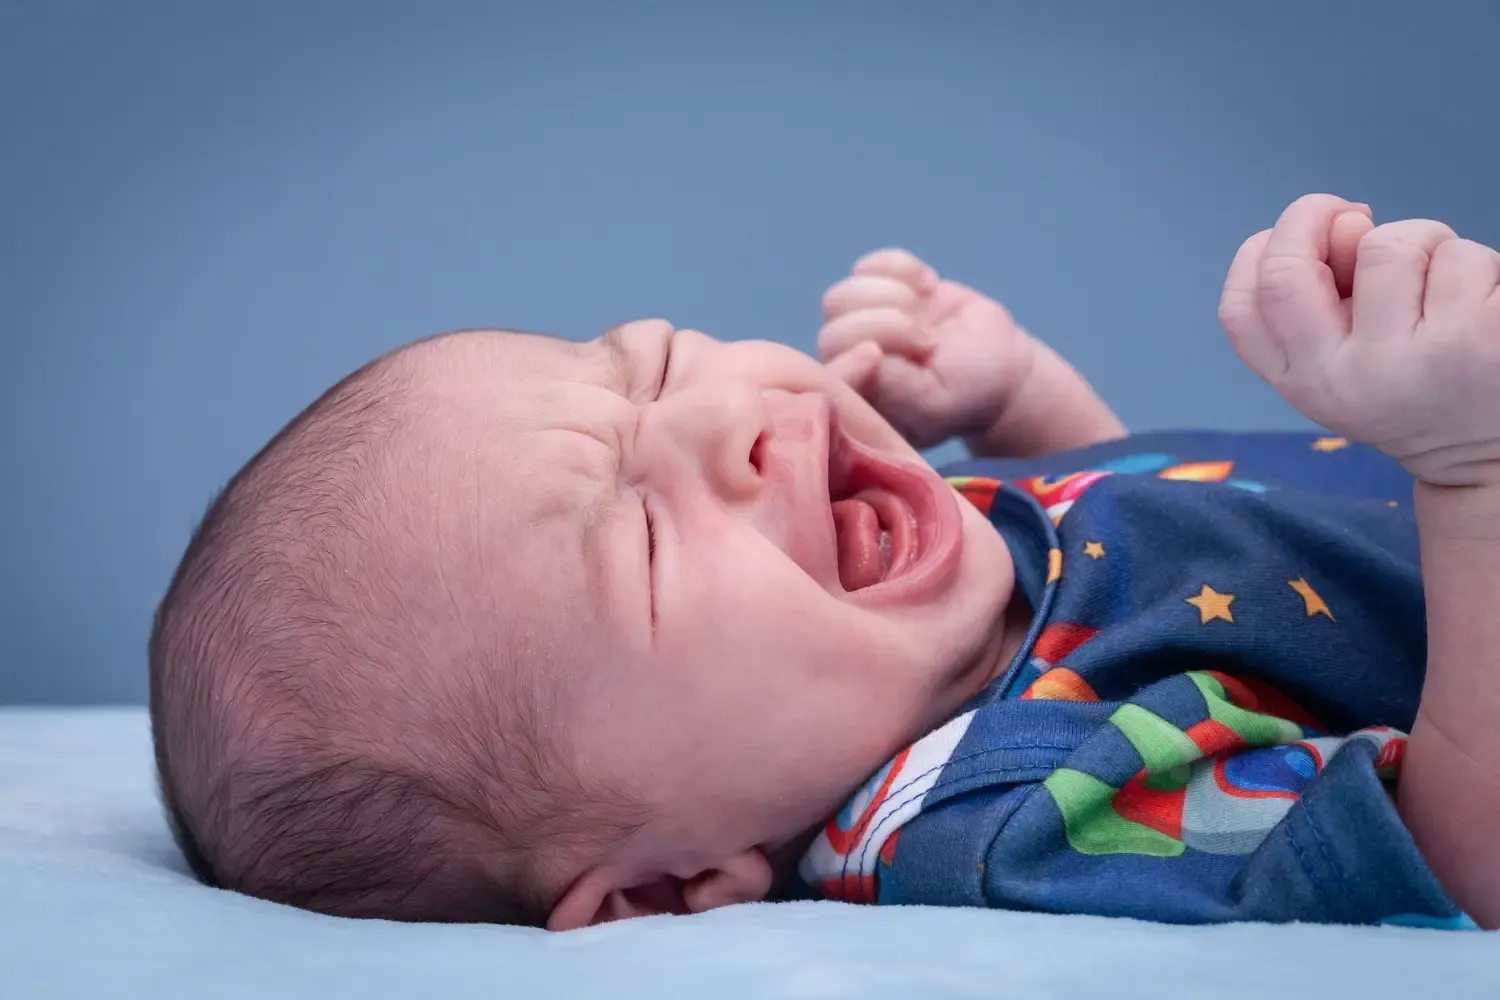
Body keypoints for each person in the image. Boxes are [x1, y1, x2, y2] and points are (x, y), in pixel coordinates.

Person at [148, 194, 1500, 931]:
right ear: (672, 885)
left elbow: (1174, 571)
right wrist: (1470, 472)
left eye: (656, 363)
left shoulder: (919, 586)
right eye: (645, 534)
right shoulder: (1009, 813)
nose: (723, 420)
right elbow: (1451, 864)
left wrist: (1029, 406)